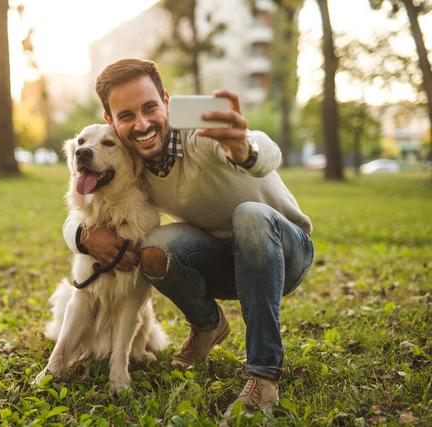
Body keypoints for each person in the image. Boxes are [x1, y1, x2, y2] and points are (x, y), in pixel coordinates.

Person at [62, 58, 314, 415]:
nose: (143, 123)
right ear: (111, 121)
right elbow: (80, 209)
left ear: (166, 100)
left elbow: (266, 149)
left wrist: (245, 149)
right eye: (127, 115)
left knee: (251, 215)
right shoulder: (128, 163)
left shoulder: (201, 136)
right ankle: (208, 326)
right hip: (221, 260)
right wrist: (84, 236)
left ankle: (263, 376)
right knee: (155, 246)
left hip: (284, 251)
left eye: (150, 107)